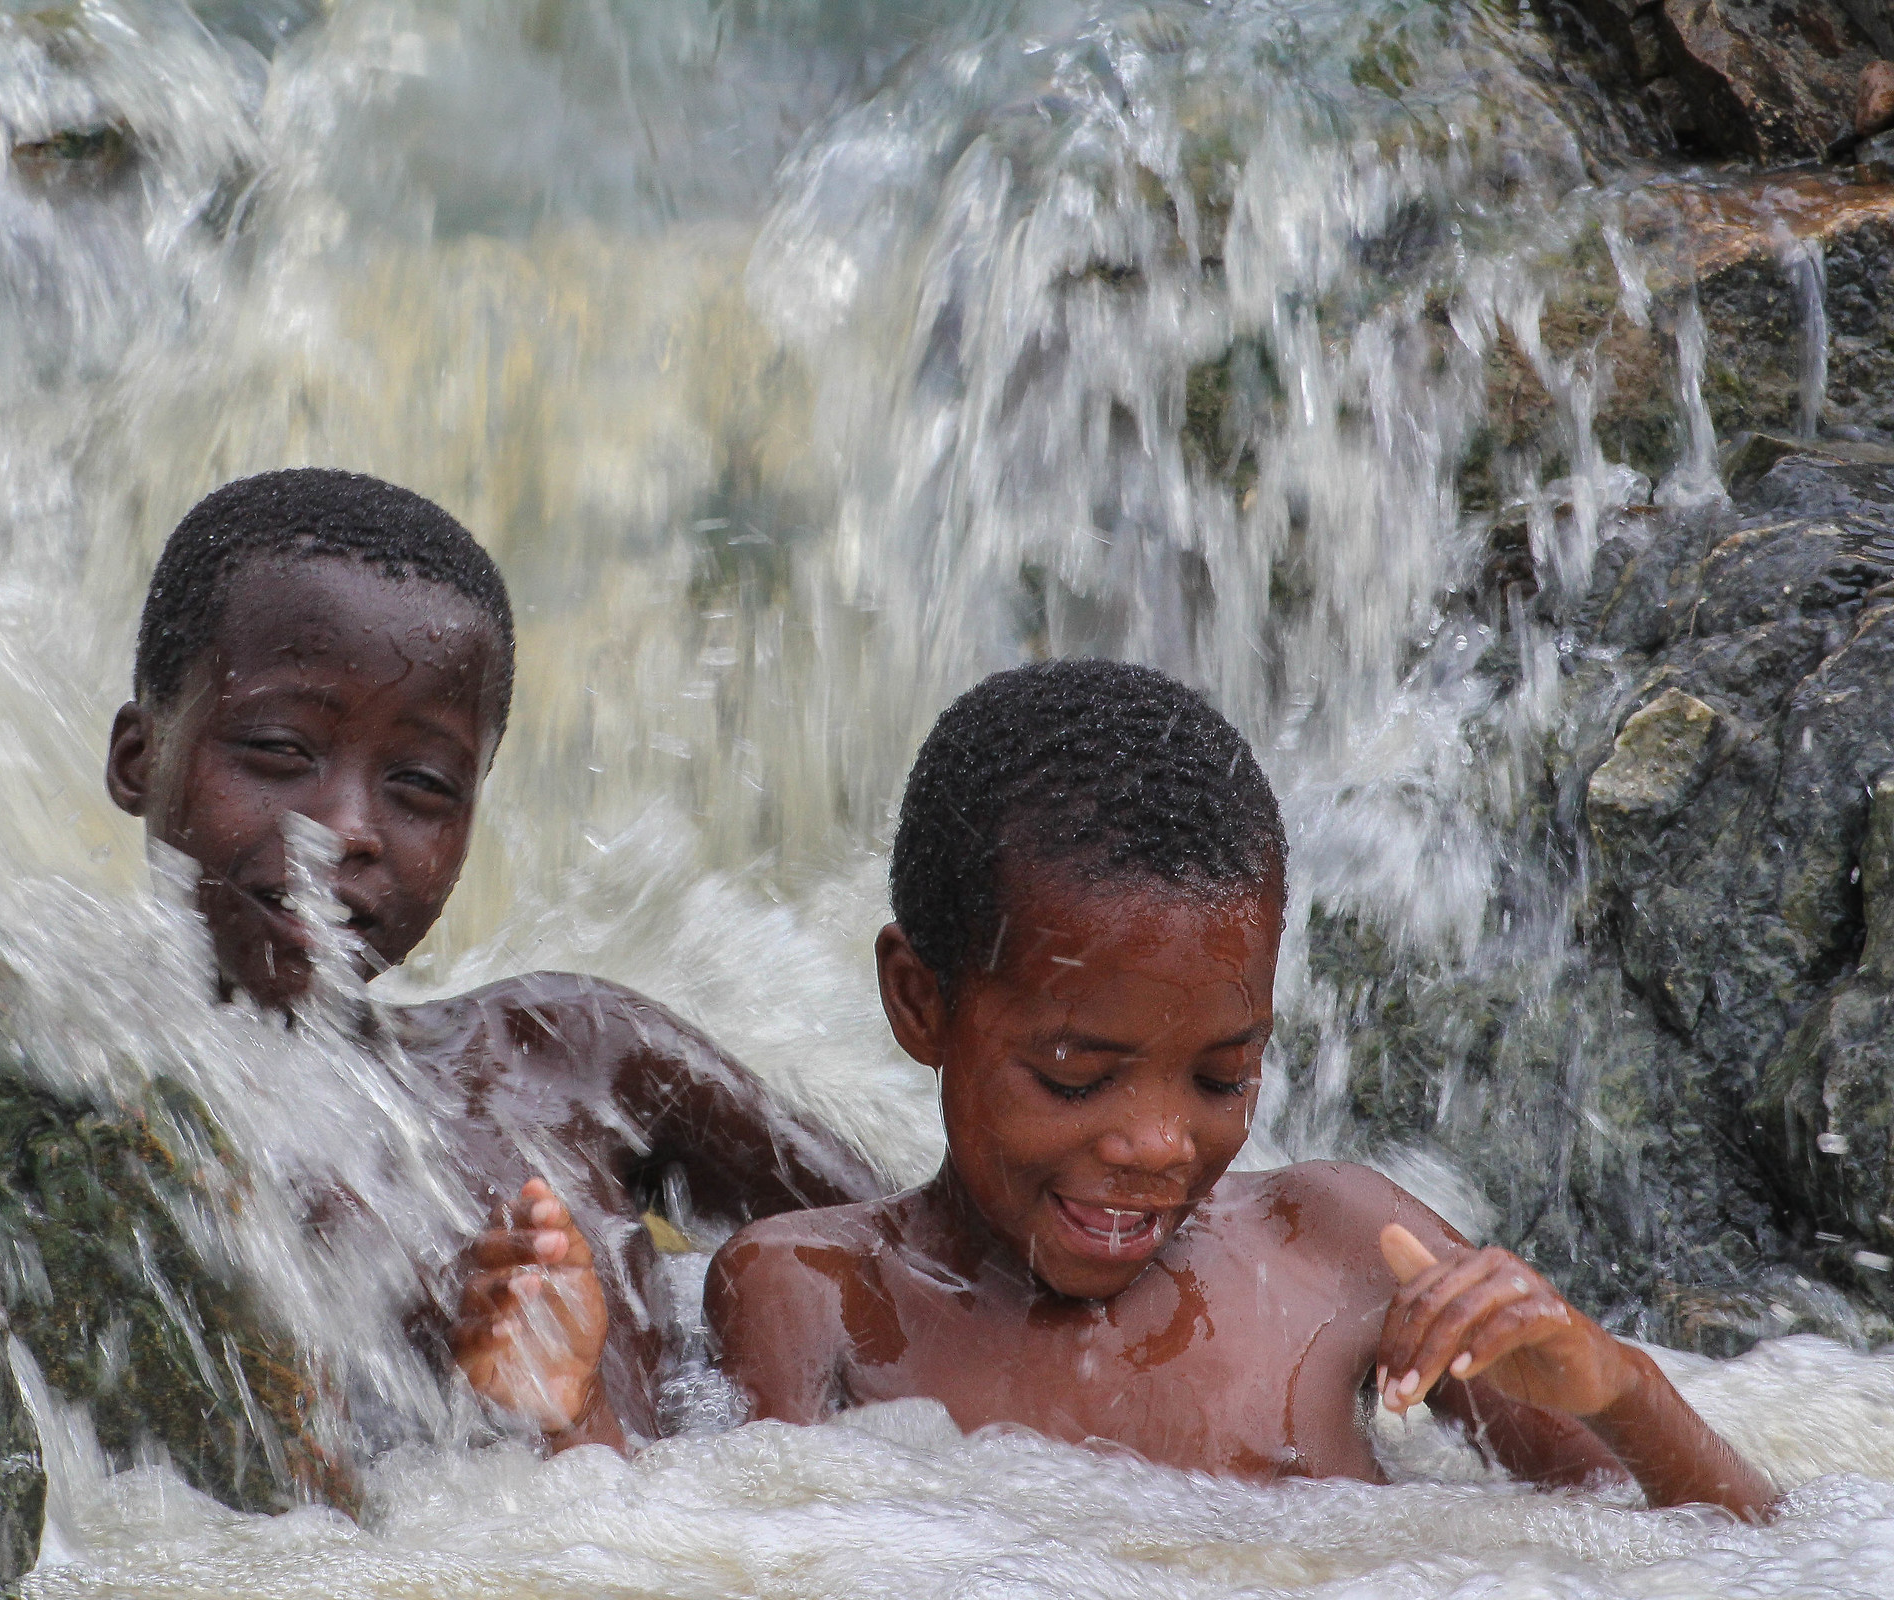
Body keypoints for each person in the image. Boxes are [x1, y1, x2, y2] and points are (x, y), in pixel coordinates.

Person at [468, 657, 1776, 1516]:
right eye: (1074, 1075)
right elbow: (716, 1562)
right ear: (920, 1003)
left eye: (1223, 1074)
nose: (1156, 1143)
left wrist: (1616, 1389)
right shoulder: (816, 1293)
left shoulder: (1338, 1243)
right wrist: (568, 1414)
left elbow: (1738, 1550)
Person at [104, 468, 878, 1445]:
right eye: (279, 748)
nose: (347, 827)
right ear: (138, 758)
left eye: (421, 784)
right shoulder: (90, 1121)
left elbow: (937, 1270)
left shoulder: (570, 1057)